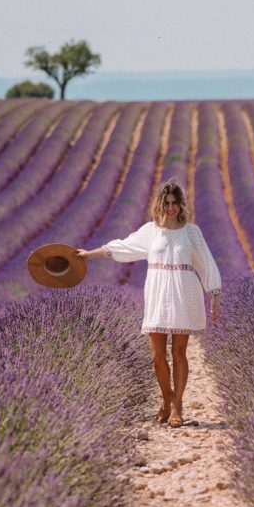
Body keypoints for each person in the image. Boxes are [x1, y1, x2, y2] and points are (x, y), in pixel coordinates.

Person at [75, 178, 222, 428]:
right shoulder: (150, 231)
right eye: (166, 203)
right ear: (160, 203)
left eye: (175, 203)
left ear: (181, 204)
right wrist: (89, 254)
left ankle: (177, 406)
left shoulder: (191, 232)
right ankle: (166, 400)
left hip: (184, 291)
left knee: (178, 353)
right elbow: (123, 247)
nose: (171, 208)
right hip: (157, 293)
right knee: (156, 356)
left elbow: (205, 262)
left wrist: (214, 296)